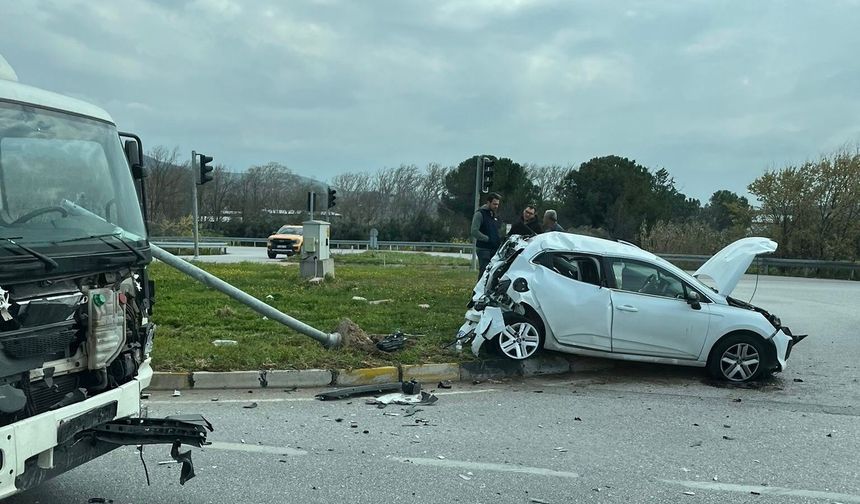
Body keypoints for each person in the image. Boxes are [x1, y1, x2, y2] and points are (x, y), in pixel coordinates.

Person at [471, 192, 502, 276]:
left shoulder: (495, 215)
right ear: (488, 202)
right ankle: (479, 289)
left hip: (494, 249)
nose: (496, 206)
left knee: (493, 273)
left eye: (497, 204)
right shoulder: (480, 214)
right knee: (484, 272)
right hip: (483, 249)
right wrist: (487, 239)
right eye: (494, 204)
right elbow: (474, 231)